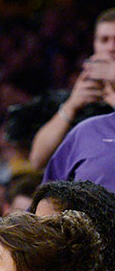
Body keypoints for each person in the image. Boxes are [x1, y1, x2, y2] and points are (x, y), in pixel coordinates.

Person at [29, 9, 115, 170]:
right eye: (104, 40)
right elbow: (37, 160)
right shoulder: (78, 95)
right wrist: (72, 105)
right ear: (95, 44)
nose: (111, 47)